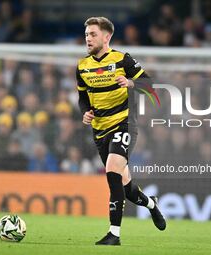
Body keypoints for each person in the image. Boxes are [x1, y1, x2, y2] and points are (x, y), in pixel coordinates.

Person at [76, 17, 166, 246]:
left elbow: (151, 86)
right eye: (87, 34)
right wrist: (85, 112)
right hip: (100, 130)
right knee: (127, 191)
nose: (88, 38)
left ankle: (114, 234)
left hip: (123, 123)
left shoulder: (122, 59)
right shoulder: (82, 66)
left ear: (107, 37)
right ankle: (151, 204)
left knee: (112, 170)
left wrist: (131, 83)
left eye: (93, 34)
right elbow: (83, 99)